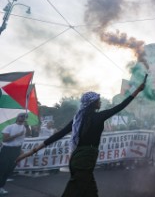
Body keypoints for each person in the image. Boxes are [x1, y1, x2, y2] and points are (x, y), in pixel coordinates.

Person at [16, 77, 146, 197]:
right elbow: (121, 106)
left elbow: (57, 135)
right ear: (93, 104)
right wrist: (138, 91)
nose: (100, 102)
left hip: (78, 158)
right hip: (85, 160)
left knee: (82, 191)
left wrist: (30, 152)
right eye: (98, 100)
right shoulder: (98, 117)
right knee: (81, 191)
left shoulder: (78, 119)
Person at [0, 113, 31, 195]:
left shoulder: (25, 128)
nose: (23, 118)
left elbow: (29, 134)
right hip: (7, 150)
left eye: (25, 117)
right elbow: (5, 140)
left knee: (10, 169)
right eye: (22, 116)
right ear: (17, 117)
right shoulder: (9, 127)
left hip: (16, 150)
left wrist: (27, 126)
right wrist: (17, 135)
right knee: (2, 168)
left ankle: (1, 187)